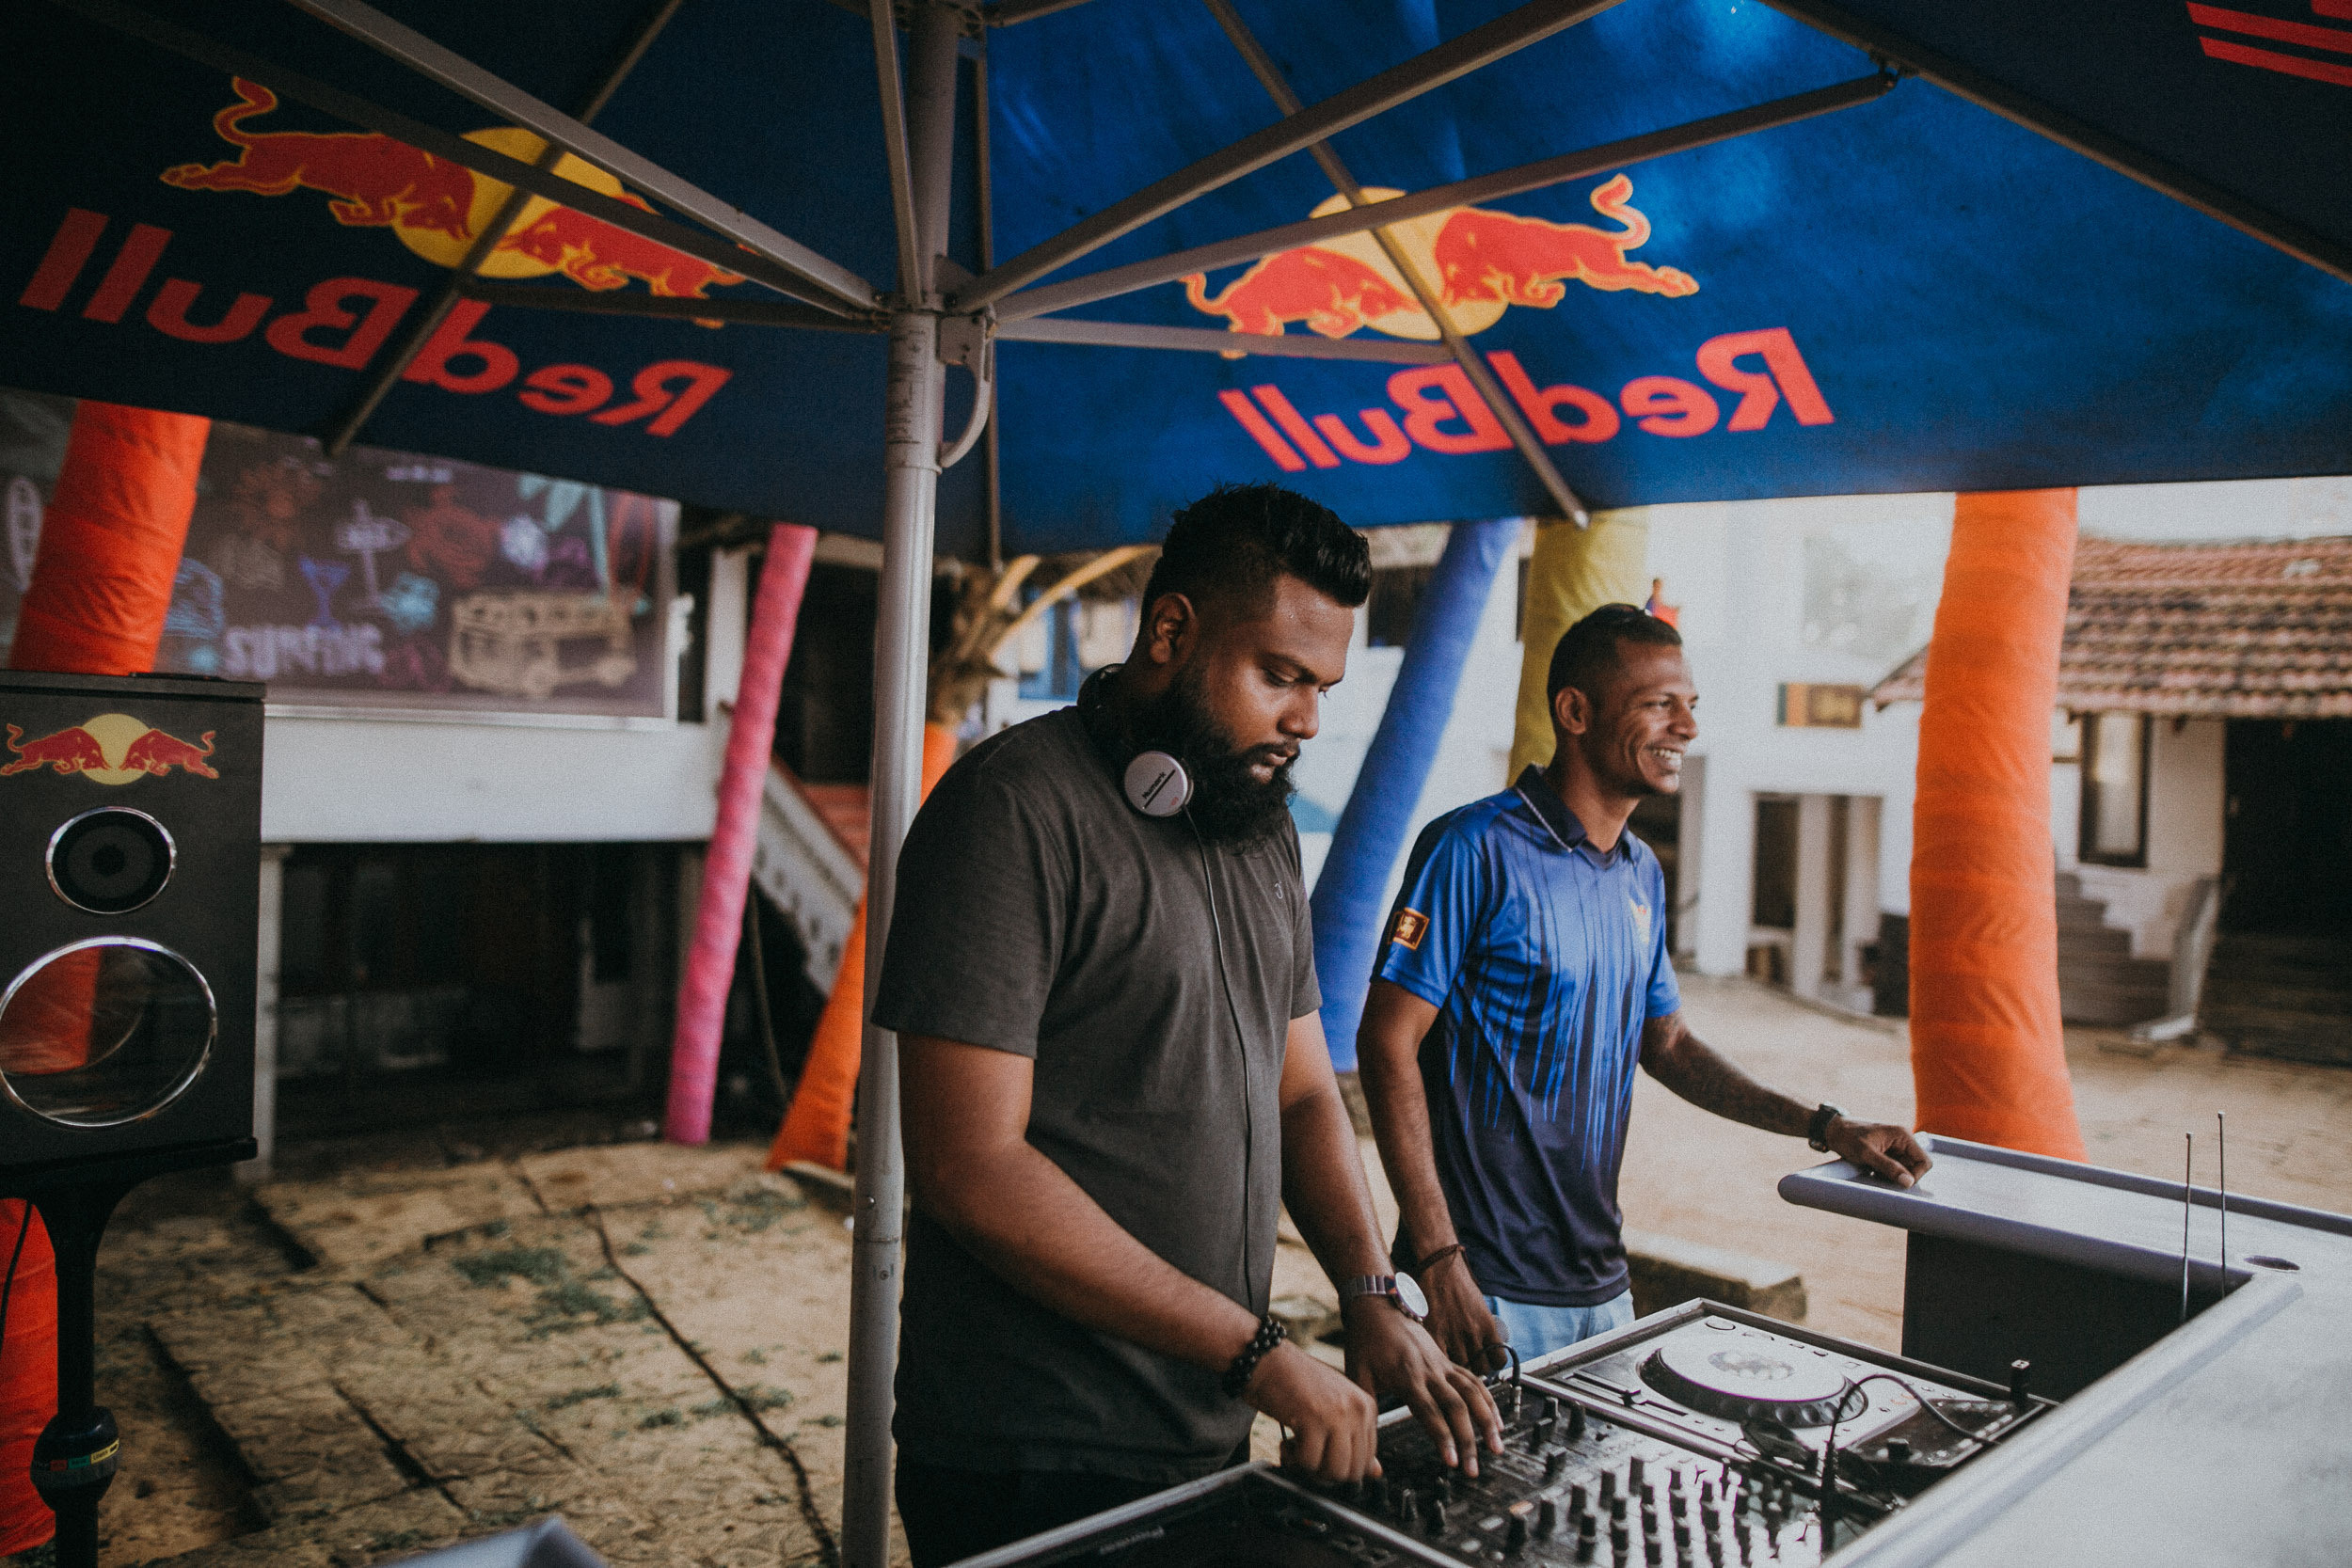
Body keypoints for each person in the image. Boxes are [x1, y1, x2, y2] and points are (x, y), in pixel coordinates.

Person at [875, 483, 1502, 1568]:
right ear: (1169, 630)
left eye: (1321, 687)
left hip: (1202, 1431)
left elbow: (1301, 1091)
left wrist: (1369, 1292)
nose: (1307, 720)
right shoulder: (1010, 809)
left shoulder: (1258, 830)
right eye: (1280, 675)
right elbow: (968, 1165)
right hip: (1031, 1453)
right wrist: (1259, 1352)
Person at [1356, 604, 1931, 1370]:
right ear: (1575, 712)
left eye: (1691, 704)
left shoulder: (1639, 873)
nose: (1687, 727)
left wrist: (1827, 1126)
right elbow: (1386, 1041)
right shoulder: (1472, 849)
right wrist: (1437, 1260)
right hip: (1480, 1290)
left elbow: (1669, 1043)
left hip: (1602, 1292)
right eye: (1660, 704)